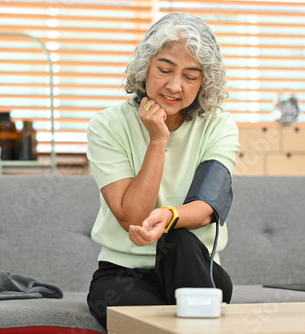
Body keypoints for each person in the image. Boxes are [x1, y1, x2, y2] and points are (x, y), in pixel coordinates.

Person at [86, 12, 239, 327]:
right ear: (145, 68)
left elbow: (208, 206)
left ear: (204, 82)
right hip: (123, 275)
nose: (174, 85)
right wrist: (157, 139)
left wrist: (169, 217)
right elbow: (132, 216)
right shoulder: (107, 125)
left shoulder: (219, 126)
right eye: (165, 69)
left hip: (197, 268)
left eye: (190, 76)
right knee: (162, 321)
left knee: (178, 239)